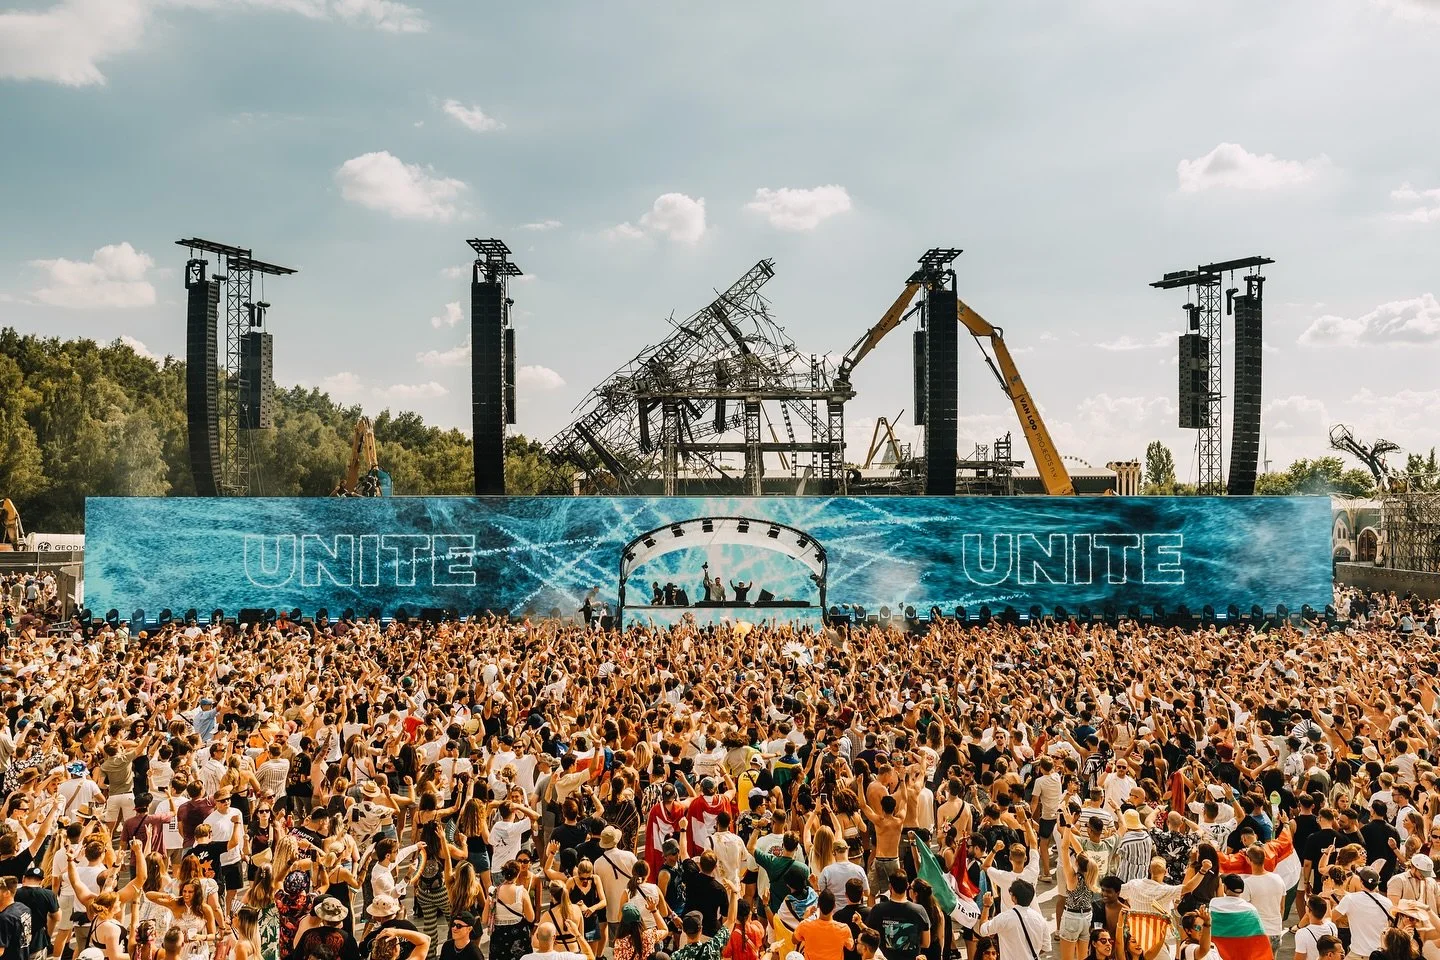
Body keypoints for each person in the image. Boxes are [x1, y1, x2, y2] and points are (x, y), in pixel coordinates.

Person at [977, 880, 1050, 960]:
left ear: (1014, 898)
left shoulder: (1004, 918)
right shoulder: (1041, 920)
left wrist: (986, 906)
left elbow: (983, 930)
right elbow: (1046, 947)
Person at [866, 873, 929, 960]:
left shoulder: (878, 909)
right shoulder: (919, 910)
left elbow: (868, 936)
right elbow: (926, 943)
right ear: (907, 886)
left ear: (890, 887)